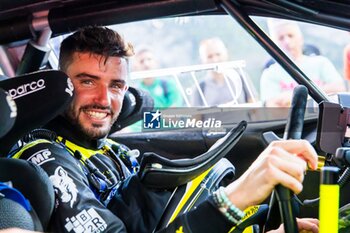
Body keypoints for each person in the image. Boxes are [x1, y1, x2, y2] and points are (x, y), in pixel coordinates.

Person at [11, 26, 319, 232]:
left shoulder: (113, 151)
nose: (104, 99)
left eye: (116, 85)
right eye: (87, 81)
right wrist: (233, 200)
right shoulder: (45, 156)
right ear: (62, 86)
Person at [260, 19, 345, 107]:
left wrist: (292, 96)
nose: (287, 42)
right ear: (275, 44)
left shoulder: (321, 62)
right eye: (281, 38)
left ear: (300, 38)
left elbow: (339, 88)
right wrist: (317, 93)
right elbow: (271, 106)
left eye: (290, 35)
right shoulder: (269, 74)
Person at [191, 37, 257, 107]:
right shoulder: (199, 88)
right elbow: (197, 116)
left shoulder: (241, 77)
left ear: (226, 53)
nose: (215, 60)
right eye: (209, 56)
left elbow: (255, 109)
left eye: (218, 54)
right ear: (202, 60)